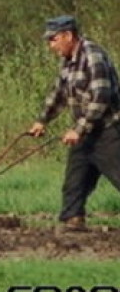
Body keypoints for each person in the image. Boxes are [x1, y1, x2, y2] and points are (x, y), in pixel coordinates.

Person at [29, 15, 120, 230]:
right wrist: (42, 121)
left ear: (68, 35)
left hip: (109, 130)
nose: (51, 45)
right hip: (86, 131)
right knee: (75, 179)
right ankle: (73, 221)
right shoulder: (68, 61)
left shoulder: (93, 55)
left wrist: (78, 130)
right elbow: (59, 93)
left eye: (53, 39)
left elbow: (101, 98)